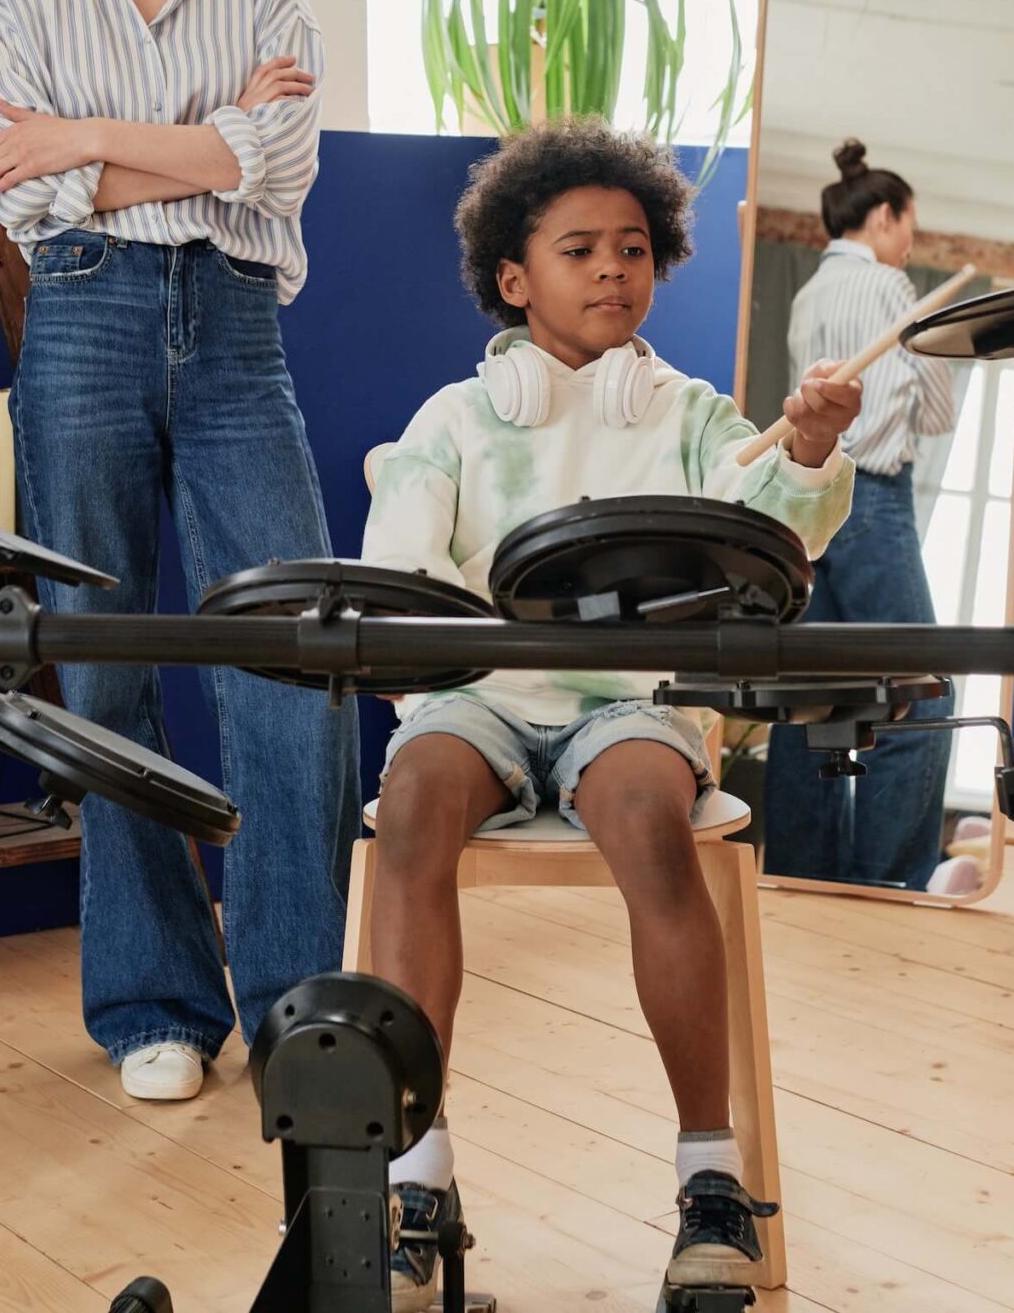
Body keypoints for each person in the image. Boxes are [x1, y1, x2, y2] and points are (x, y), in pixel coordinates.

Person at [359, 120, 859, 1306]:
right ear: (513, 279)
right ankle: (417, 1184)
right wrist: (423, 651)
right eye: (578, 249)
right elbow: (401, 575)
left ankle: (709, 1181)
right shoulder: (453, 421)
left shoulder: (687, 415)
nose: (610, 270)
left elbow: (778, 536)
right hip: (478, 699)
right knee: (413, 804)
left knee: (644, 814)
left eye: (631, 248)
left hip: (630, 705)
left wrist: (813, 445)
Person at [0, 0, 354, 1103]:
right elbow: (33, 191)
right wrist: (203, 141)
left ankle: (297, 999)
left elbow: (283, 159)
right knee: (105, 656)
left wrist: (91, 137)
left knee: (294, 661)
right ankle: (153, 1001)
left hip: (238, 326)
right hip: (82, 324)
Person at [767, 139, 961, 890]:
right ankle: (887, 884)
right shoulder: (888, 287)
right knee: (922, 695)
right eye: (908, 226)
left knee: (809, 701)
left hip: (810, 506)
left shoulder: (807, 293)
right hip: (874, 501)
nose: (909, 243)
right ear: (883, 217)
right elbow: (938, 411)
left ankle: (801, 877)